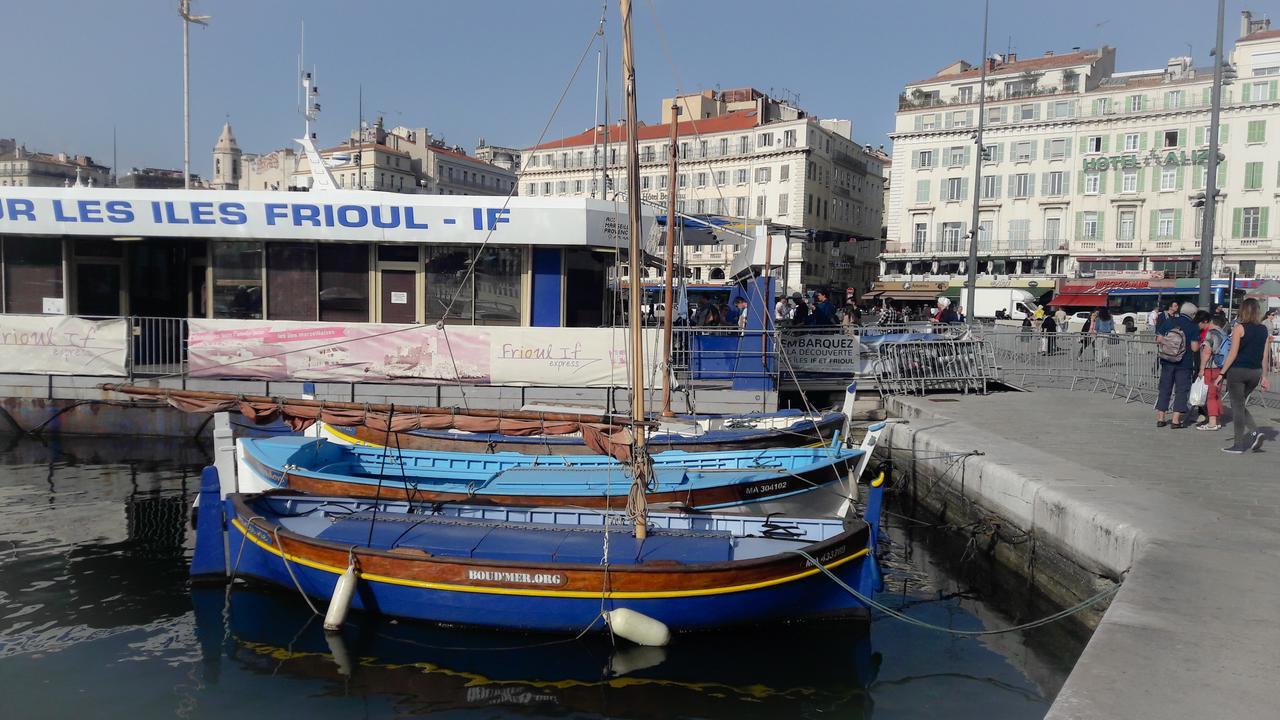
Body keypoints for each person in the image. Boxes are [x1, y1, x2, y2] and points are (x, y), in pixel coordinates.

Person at [1217, 298, 1272, 453]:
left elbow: (1232, 354)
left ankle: (1239, 444)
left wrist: (1221, 373)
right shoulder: (1263, 330)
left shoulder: (1239, 328)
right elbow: (1264, 356)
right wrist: (1265, 377)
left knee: (1237, 406)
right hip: (1255, 373)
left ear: (1243, 310)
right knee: (1239, 405)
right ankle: (1255, 432)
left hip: (1238, 371)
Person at [1154, 302, 1201, 429]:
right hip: (1184, 363)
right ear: (1192, 314)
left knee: (1164, 388)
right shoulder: (1193, 326)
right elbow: (1195, 348)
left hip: (1167, 360)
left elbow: (1158, 339)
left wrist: (1170, 346)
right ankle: (1175, 420)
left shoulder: (1170, 322)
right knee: (1181, 390)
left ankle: (1161, 418)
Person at [1196, 312, 1227, 431]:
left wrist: (1201, 368)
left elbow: (1206, 352)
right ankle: (1218, 420)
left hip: (1211, 367)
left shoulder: (1211, 333)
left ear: (1211, 322)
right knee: (1217, 394)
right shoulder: (1223, 333)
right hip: (1221, 367)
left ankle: (1212, 422)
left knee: (1210, 395)